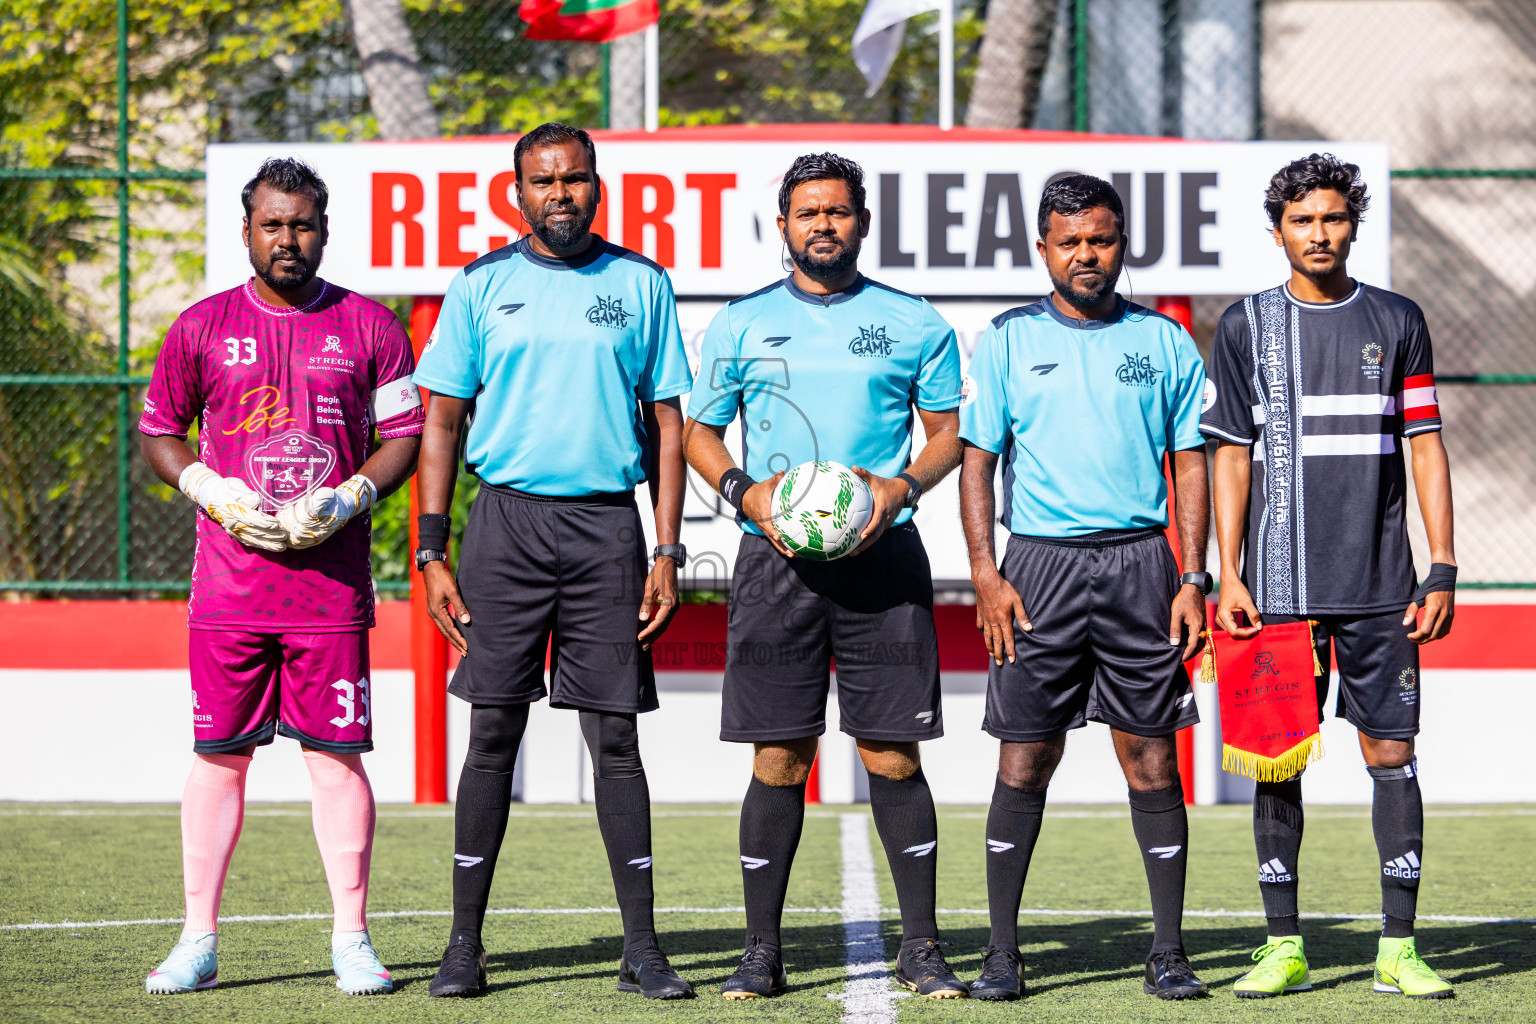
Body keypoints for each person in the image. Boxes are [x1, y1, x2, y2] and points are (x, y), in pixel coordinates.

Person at [411, 122, 694, 1000]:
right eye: (543, 182)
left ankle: (642, 948)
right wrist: (431, 547)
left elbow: (671, 428)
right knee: (493, 728)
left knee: (615, 735)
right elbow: (443, 424)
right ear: (517, 193)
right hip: (505, 528)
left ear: (598, 185)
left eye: (574, 180)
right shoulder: (481, 286)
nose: (560, 195)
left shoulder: (642, 284)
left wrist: (668, 547)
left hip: (608, 530)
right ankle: (464, 945)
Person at [683, 152, 967, 1000]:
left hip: (883, 560)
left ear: (862, 223)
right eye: (808, 213)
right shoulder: (740, 324)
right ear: (783, 225)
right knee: (780, 755)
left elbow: (950, 432)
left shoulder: (916, 323)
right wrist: (746, 492)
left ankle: (920, 947)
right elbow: (700, 433)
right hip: (776, 562)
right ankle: (760, 952)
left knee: (890, 752)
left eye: (838, 212)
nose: (823, 226)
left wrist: (902, 485)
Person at [138, 158, 423, 996]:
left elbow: (404, 434)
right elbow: (161, 431)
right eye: (272, 224)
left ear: (324, 231)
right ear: (247, 231)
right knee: (219, 757)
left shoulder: (372, 327)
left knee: (336, 761)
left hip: (329, 591)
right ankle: (197, 938)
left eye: (301, 225)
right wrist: (208, 487)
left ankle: (351, 939)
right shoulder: (200, 326)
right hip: (227, 590)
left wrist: (355, 492)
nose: (287, 239)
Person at [1202, 153, 1457, 1000]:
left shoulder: (1398, 318)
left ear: (1355, 224)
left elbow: (1424, 444)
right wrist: (1226, 574)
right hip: (1275, 590)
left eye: (1334, 218)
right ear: (1277, 230)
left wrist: (1443, 566)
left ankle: (1397, 948)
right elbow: (1230, 455)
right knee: (1275, 763)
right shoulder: (1246, 326)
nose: (1320, 233)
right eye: (1303, 220)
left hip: (1385, 587)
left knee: (1393, 752)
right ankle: (1284, 946)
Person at [958, 174, 1211, 1001]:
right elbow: (978, 462)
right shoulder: (1004, 340)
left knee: (1151, 759)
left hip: (1142, 565)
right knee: (1026, 756)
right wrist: (987, 574)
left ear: (1122, 244)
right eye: (1069, 241)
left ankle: (1167, 951)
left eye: (1099, 239)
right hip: (1038, 569)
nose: (1085, 254)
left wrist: (1193, 574)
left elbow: (1191, 462)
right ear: (1043, 249)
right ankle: (1003, 952)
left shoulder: (1166, 340)